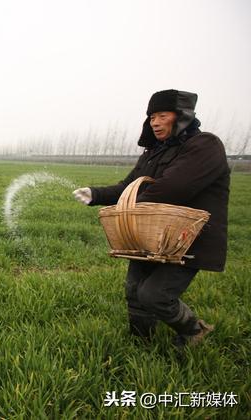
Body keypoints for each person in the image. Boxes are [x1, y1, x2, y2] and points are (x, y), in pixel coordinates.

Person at [72, 89, 230, 349]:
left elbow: (173, 188)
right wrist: (96, 194)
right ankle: (141, 344)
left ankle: (194, 330)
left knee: (155, 295)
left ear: (181, 116)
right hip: (148, 234)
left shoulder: (205, 146)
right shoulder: (153, 152)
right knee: (134, 292)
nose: (154, 122)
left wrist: (128, 208)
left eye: (162, 115)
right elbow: (128, 186)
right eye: (151, 116)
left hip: (186, 238)